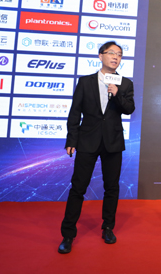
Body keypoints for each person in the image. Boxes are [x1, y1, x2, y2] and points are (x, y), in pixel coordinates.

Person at [58, 41, 135, 254]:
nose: (115, 57)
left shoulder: (125, 84)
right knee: (78, 188)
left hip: (113, 142)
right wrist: (71, 140)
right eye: (111, 53)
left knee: (112, 187)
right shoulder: (85, 82)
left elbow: (129, 109)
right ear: (100, 56)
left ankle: (108, 228)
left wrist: (117, 93)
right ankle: (68, 234)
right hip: (87, 141)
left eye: (119, 54)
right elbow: (75, 112)